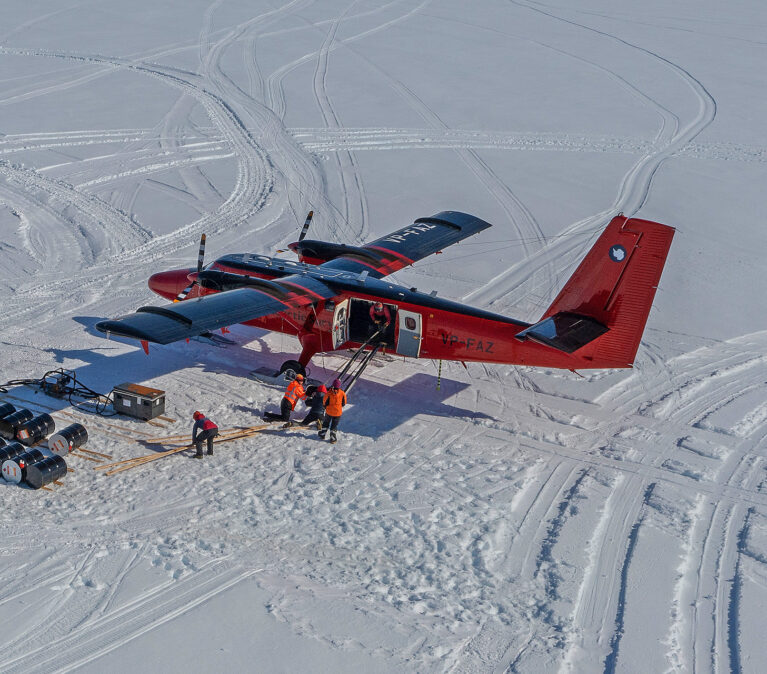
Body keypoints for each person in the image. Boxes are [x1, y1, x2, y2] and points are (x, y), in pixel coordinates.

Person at [319, 379, 347, 444]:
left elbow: (324, 402)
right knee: (334, 425)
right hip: (338, 413)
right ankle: (333, 437)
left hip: (329, 412)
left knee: (326, 422)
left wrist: (326, 407)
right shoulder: (342, 393)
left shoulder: (329, 393)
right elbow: (344, 403)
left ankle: (322, 434)